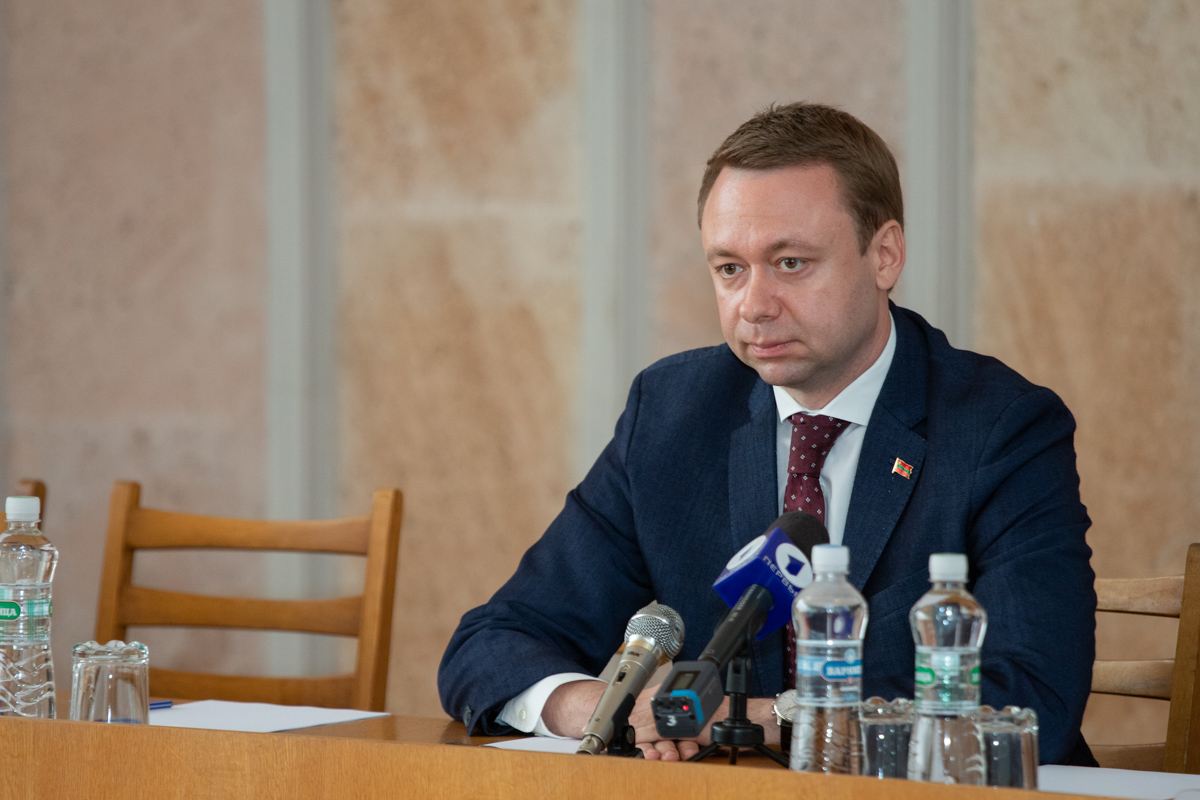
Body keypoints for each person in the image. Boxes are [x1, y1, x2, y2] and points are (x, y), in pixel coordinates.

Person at [438, 102, 1096, 765]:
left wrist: (754, 718)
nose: (753, 305)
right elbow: (493, 644)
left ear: (884, 255)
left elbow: (1032, 695)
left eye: (790, 263)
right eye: (730, 268)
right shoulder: (672, 415)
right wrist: (610, 708)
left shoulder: (1002, 428)